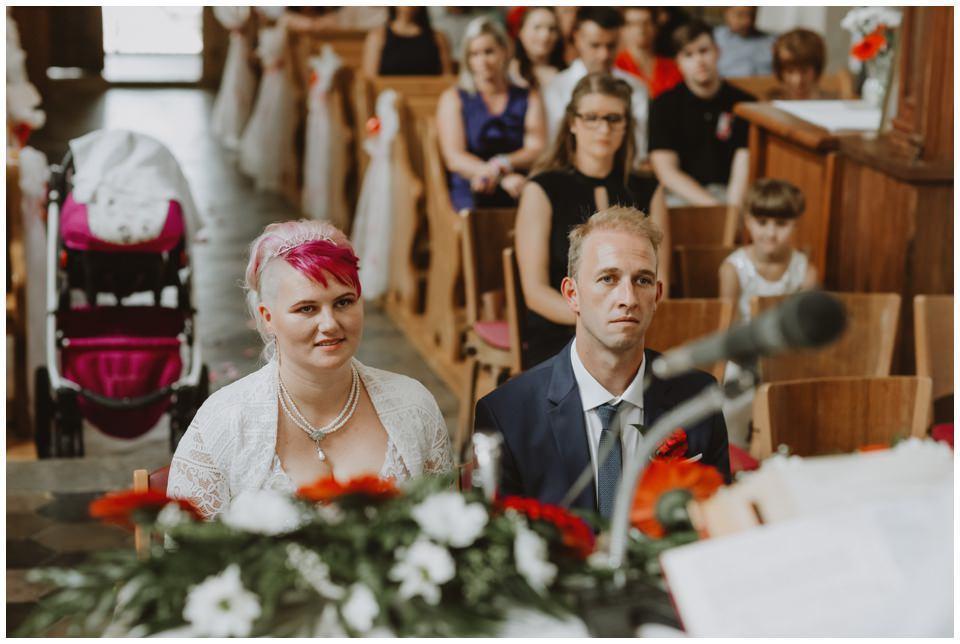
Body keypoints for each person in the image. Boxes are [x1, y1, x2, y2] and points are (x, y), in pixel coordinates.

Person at [168, 220, 453, 519]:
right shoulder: (223, 424)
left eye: (343, 302)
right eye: (307, 308)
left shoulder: (413, 406)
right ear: (267, 318)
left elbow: (449, 527)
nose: (330, 324)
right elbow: (184, 544)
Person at [475, 207, 731, 519]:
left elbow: (719, 526)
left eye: (643, 280)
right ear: (572, 294)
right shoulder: (508, 415)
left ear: (657, 296)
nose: (628, 298)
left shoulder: (698, 398)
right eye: (608, 279)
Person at [516, 73, 669, 369]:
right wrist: (598, 324)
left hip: (634, 330)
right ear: (572, 123)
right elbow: (535, 292)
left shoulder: (649, 189)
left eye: (613, 119)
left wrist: (621, 326)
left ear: (626, 125)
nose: (603, 128)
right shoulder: (542, 188)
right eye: (591, 118)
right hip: (559, 331)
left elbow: (660, 282)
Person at [436, 17, 546, 212]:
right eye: (474, 54)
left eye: (489, 52)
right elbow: (454, 157)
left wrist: (504, 163)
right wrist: (497, 176)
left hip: (518, 180)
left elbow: (536, 148)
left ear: (504, 51)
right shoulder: (454, 98)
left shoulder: (529, 96)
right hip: (471, 179)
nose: (482, 61)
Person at [648, 19, 754, 207]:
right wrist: (713, 207)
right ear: (678, 62)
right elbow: (666, 171)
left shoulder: (744, 103)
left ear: (717, 52)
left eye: (704, 51)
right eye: (688, 55)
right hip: (681, 196)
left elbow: (743, 166)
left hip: (732, 196)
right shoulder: (663, 105)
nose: (699, 61)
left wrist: (731, 212)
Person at [542, 7, 650, 161]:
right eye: (595, 45)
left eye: (611, 46)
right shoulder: (556, 87)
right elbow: (552, 145)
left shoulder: (636, 87)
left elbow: (639, 148)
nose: (604, 55)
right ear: (577, 38)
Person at [719, 178, 817, 325]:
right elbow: (728, 325)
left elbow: (805, 323)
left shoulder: (806, 272)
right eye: (762, 222)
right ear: (748, 222)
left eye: (781, 224)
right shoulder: (732, 270)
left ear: (795, 225)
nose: (771, 234)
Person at [361, 6, 452, 77]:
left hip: (430, 95)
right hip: (387, 94)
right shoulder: (378, 37)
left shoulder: (438, 38)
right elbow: (370, 80)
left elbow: (447, 78)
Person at [615, 7, 683, 99]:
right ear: (622, 29)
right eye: (633, 24)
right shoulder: (616, 65)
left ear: (656, 27)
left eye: (646, 23)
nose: (641, 29)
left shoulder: (673, 67)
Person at [508, 7, 566, 90]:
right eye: (537, 27)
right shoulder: (507, 73)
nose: (545, 35)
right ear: (520, 31)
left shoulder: (569, 73)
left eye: (552, 29)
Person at [768, 29, 833, 100]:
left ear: (816, 69)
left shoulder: (833, 102)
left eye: (804, 71)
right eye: (790, 71)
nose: (798, 80)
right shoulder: (767, 101)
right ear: (780, 71)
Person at [713, 6, 775, 78]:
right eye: (740, 15)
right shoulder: (715, 38)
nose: (747, 21)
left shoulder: (771, 41)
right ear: (726, 13)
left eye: (752, 15)